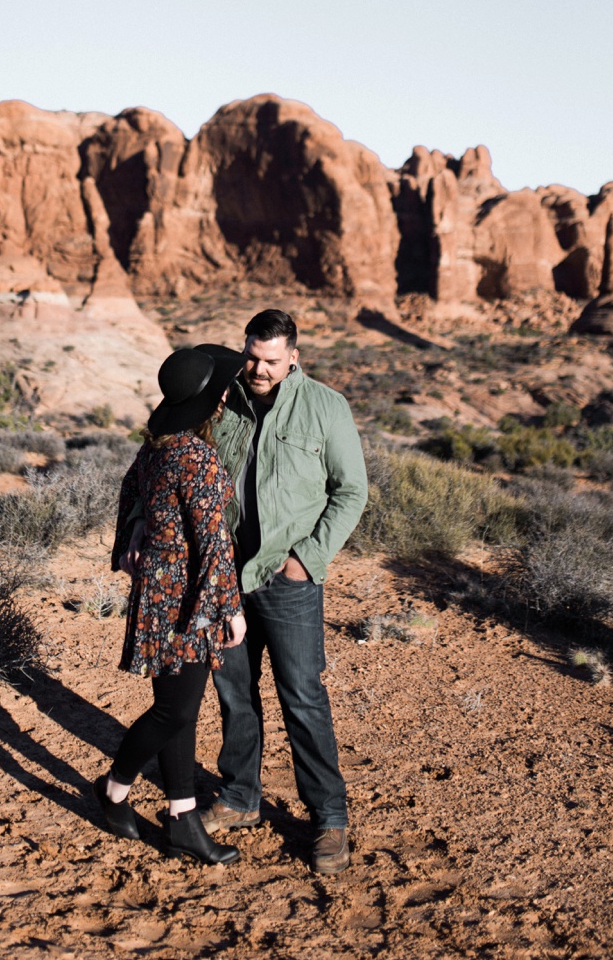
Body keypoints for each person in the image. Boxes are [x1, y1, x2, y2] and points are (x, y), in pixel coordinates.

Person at [201, 309, 368, 874]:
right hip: (227, 576)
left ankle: (329, 818)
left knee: (302, 696)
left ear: (293, 356)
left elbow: (351, 492)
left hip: (288, 578)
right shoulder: (225, 401)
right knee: (235, 692)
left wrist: (307, 558)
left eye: (271, 360)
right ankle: (240, 797)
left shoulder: (326, 406)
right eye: (251, 356)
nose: (259, 368)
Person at [95, 343, 248, 865]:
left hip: (157, 589)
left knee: (179, 710)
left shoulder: (159, 446)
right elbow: (213, 539)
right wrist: (230, 607)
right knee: (175, 710)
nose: (228, 393)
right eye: (223, 388)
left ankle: (183, 817)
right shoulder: (197, 455)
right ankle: (114, 789)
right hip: (185, 597)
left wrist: (137, 524)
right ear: (211, 400)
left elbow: (129, 485)